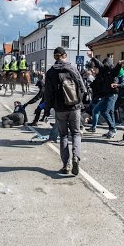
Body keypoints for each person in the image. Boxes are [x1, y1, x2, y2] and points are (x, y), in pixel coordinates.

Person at [44, 47, 86, 175]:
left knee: (63, 135)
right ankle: (75, 157)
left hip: (60, 108)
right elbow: (83, 88)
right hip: (74, 107)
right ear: (65, 55)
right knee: (76, 133)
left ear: (55, 57)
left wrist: (47, 109)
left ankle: (66, 165)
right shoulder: (73, 69)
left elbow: (48, 94)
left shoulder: (51, 72)